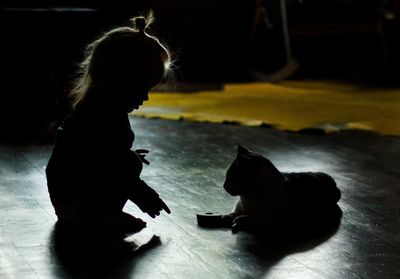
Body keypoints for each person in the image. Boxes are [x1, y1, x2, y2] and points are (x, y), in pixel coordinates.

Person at [46, 14, 171, 236]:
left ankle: (95, 213)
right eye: (141, 89)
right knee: (128, 164)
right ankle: (99, 216)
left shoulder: (94, 108)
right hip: (76, 204)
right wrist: (147, 198)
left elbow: (96, 156)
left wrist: (122, 155)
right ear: (117, 80)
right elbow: (110, 166)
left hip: (64, 200)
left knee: (128, 160)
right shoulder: (104, 118)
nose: (145, 98)